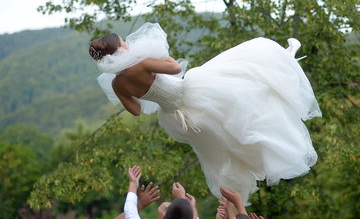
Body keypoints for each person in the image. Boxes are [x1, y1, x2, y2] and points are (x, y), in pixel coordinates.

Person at [89, 22, 322, 205]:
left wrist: (151, 93)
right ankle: (283, 59)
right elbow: (176, 68)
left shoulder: (118, 85)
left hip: (178, 119)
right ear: (120, 49)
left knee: (226, 144)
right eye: (124, 43)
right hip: (191, 94)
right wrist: (159, 55)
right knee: (241, 84)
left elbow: (137, 111)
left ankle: (255, 172)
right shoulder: (142, 63)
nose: (128, 44)